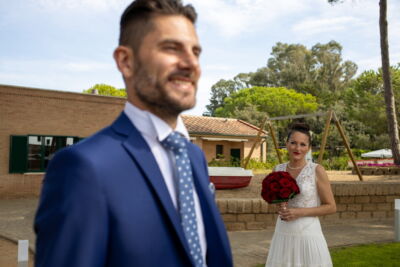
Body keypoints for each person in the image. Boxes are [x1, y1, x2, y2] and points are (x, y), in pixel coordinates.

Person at [34, 1, 233, 266]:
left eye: (195, 51)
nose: (190, 63)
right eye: (171, 48)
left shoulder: (194, 157)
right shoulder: (83, 168)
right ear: (126, 61)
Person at [265, 123, 336, 267]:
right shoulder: (278, 170)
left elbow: (331, 207)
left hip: (308, 235)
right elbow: (272, 201)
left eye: (303, 144)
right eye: (293, 143)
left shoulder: (317, 170)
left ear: (309, 148)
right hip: (283, 233)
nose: (297, 148)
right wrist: (278, 203)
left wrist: (299, 212)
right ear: (286, 144)